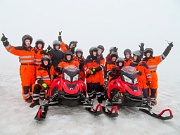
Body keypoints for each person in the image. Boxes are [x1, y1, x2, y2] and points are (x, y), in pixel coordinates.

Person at [1, 34, 35, 102]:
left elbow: (40, 52)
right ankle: (26, 97)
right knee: (25, 84)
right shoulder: (20, 49)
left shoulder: (33, 49)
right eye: (26, 41)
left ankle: (31, 95)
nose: (28, 42)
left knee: (32, 83)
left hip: (32, 68)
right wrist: (5, 42)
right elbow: (11, 49)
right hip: (24, 68)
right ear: (24, 42)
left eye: (29, 41)